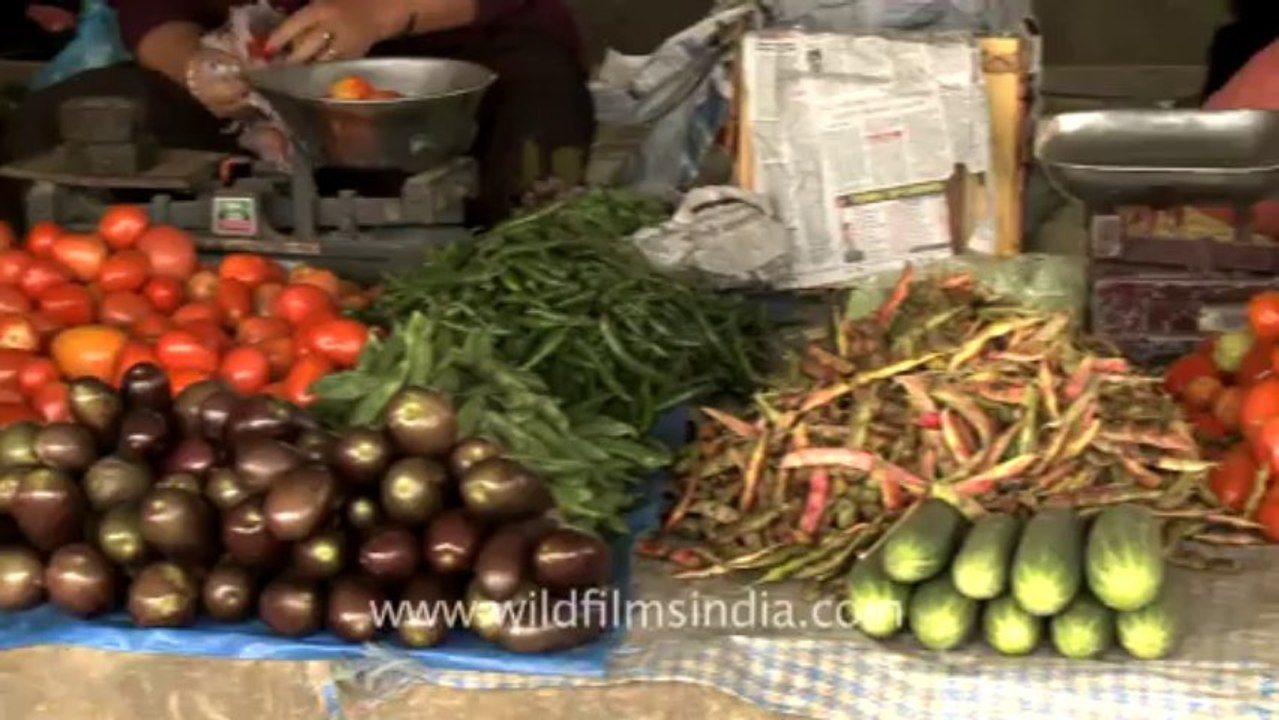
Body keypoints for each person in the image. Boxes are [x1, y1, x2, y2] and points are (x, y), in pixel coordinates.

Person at [2, 0, 595, 226]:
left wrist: (379, 16)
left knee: (538, 106)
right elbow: (149, 8)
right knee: (60, 125)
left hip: (444, 70)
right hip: (263, 89)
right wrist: (192, 64)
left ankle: (513, 300)